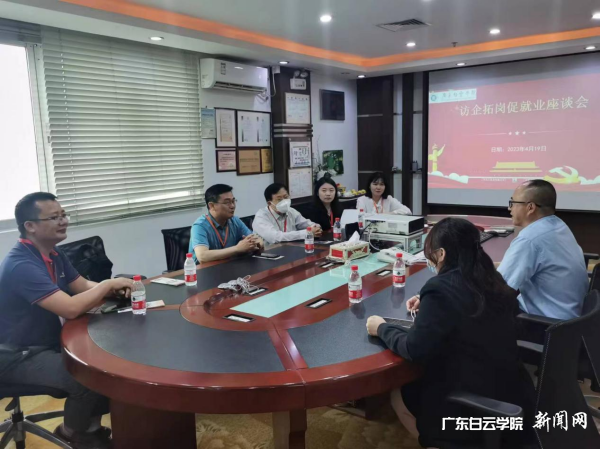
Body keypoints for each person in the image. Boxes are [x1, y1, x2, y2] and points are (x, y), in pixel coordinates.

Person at [366, 218, 535, 448]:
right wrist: (428, 302)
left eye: (431, 253)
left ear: (442, 254)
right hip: (514, 391)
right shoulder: (491, 277)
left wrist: (382, 327)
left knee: (399, 393)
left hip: (472, 400)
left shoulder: (439, 289)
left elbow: (414, 348)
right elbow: (473, 305)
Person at [0, 192, 135, 449]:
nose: (63, 221)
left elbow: (81, 286)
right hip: (15, 354)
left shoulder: (54, 254)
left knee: (106, 363)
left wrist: (112, 290)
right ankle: (71, 433)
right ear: (30, 226)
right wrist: (107, 284)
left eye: (64, 215)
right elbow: (71, 308)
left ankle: (91, 429)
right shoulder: (21, 265)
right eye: (54, 217)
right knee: (86, 376)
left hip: (45, 343)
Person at [498, 180, 588, 320]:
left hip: (546, 323)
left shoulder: (530, 239)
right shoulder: (558, 225)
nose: (510, 208)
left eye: (513, 203)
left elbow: (499, 286)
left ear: (530, 207)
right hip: (571, 316)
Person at [190, 184, 264, 263]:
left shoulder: (235, 220)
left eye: (233, 201)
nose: (232, 206)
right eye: (227, 202)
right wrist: (237, 248)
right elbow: (202, 256)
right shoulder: (200, 226)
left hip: (229, 265)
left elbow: (256, 239)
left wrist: (257, 243)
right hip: (204, 269)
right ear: (212, 206)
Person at [252, 183, 323, 245]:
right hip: (269, 253)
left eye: (286, 197)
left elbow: (306, 224)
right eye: (279, 199)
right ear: (269, 203)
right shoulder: (261, 216)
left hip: (290, 249)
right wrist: (307, 233)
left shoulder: (291, 211)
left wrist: (316, 228)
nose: (284, 201)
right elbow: (275, 238)